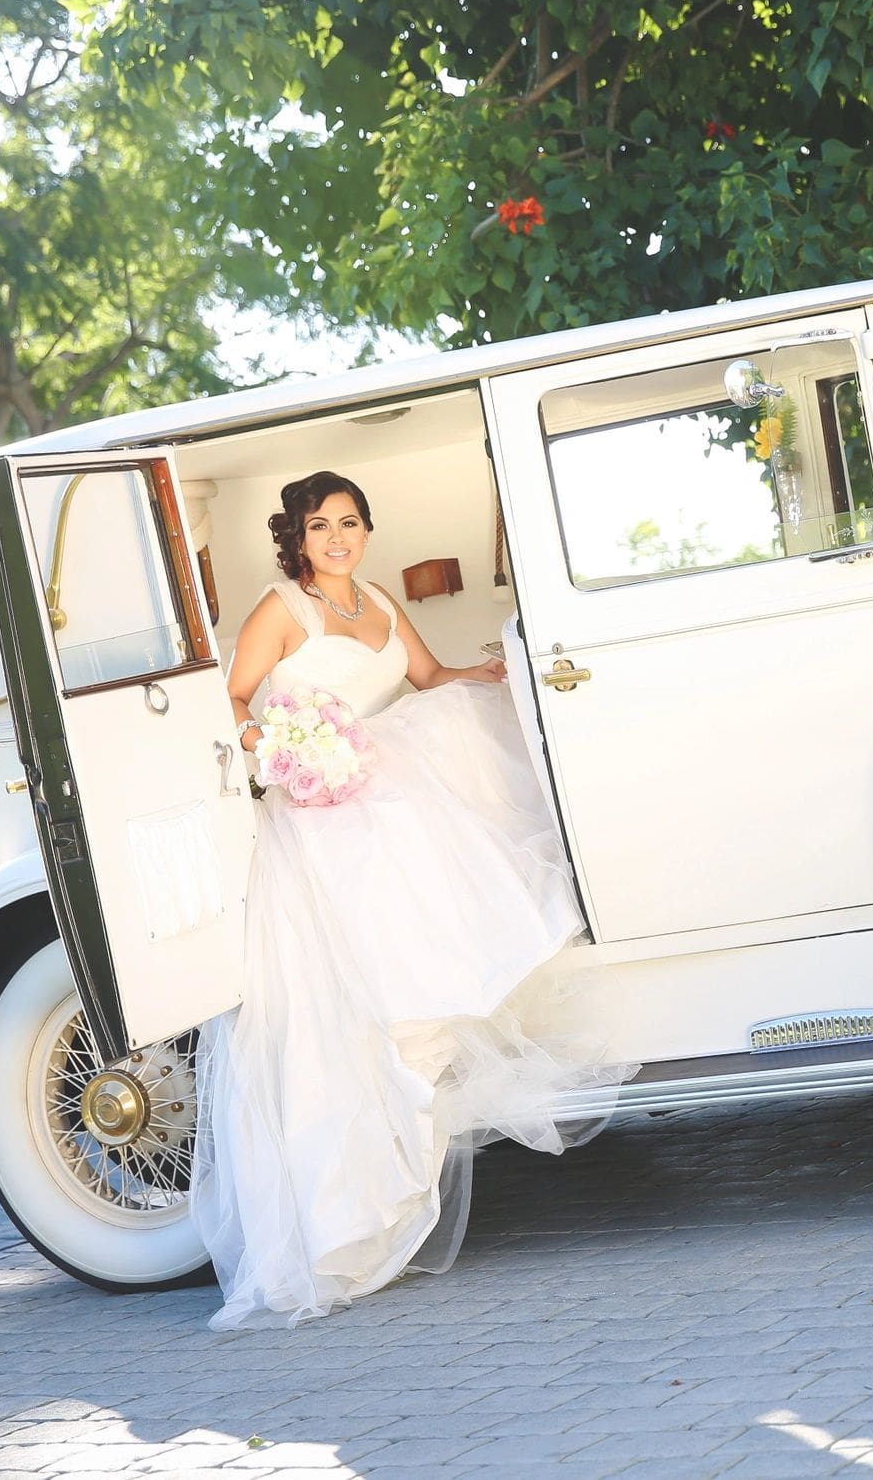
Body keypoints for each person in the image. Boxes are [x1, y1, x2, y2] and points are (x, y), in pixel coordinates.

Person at [189, 468, 627, 1328]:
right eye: (321, 526)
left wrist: (491, 675)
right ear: (298, 537)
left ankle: (412, 1113)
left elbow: (425, 676)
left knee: (457, 915)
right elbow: (233, 699)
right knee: (364, 1007)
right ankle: (347, 1195)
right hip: (323, 819)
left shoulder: (380, 596)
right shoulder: (283, 608)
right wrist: (283, 747)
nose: (338, 538)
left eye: (350, 522)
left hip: (393, 792)